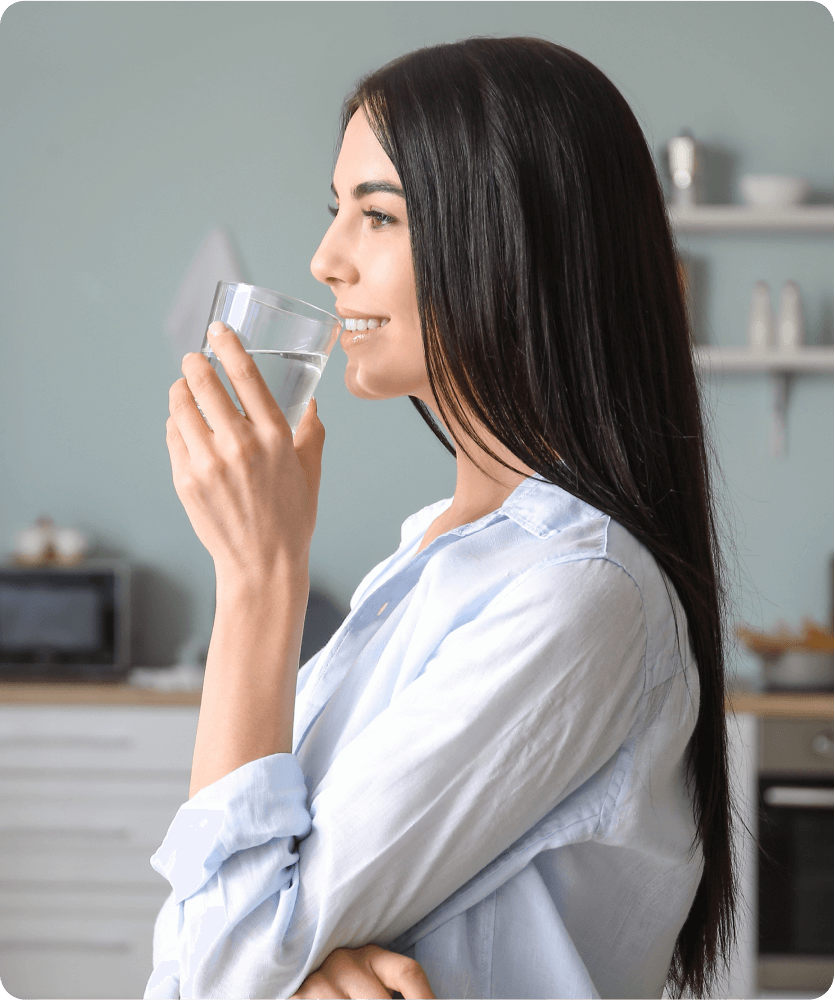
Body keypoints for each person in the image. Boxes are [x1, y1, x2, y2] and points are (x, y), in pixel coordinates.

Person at [148, 37, 737, 1000]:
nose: (325, 258)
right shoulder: (430, 551)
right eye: (335, 209)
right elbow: (229, 948)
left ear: (511, 240)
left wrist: (257, 577)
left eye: (375, 215)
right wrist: (297, 971)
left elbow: (220, 965)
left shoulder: (578, 591)